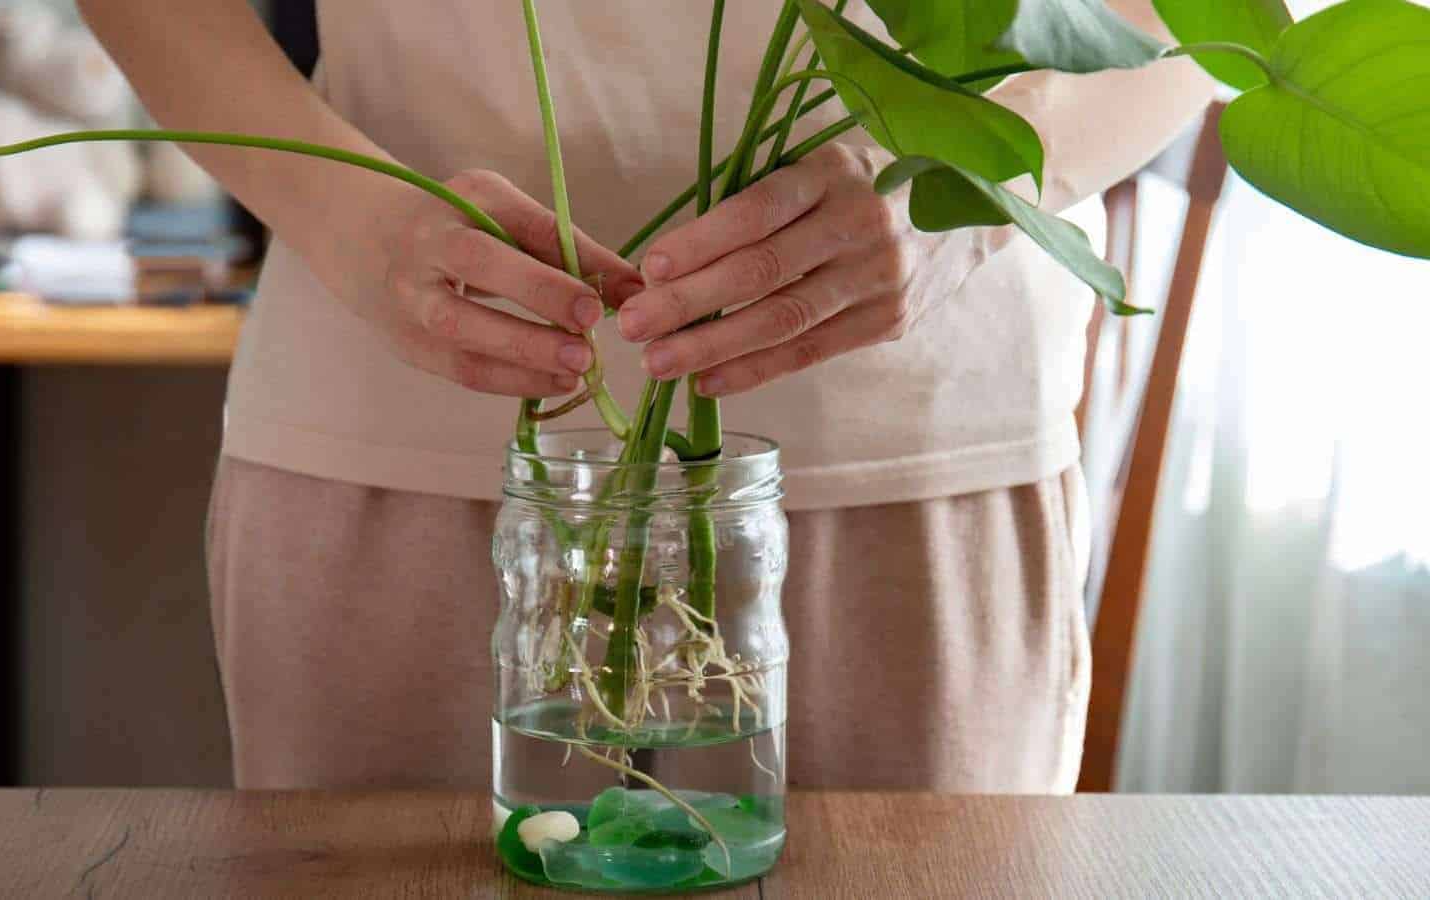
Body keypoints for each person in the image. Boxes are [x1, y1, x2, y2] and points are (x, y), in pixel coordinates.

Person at [79, 0, 1214, 790]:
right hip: (397, 417)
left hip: (906, 443)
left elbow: (1213, 21)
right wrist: (345, 216)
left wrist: (969, 185)